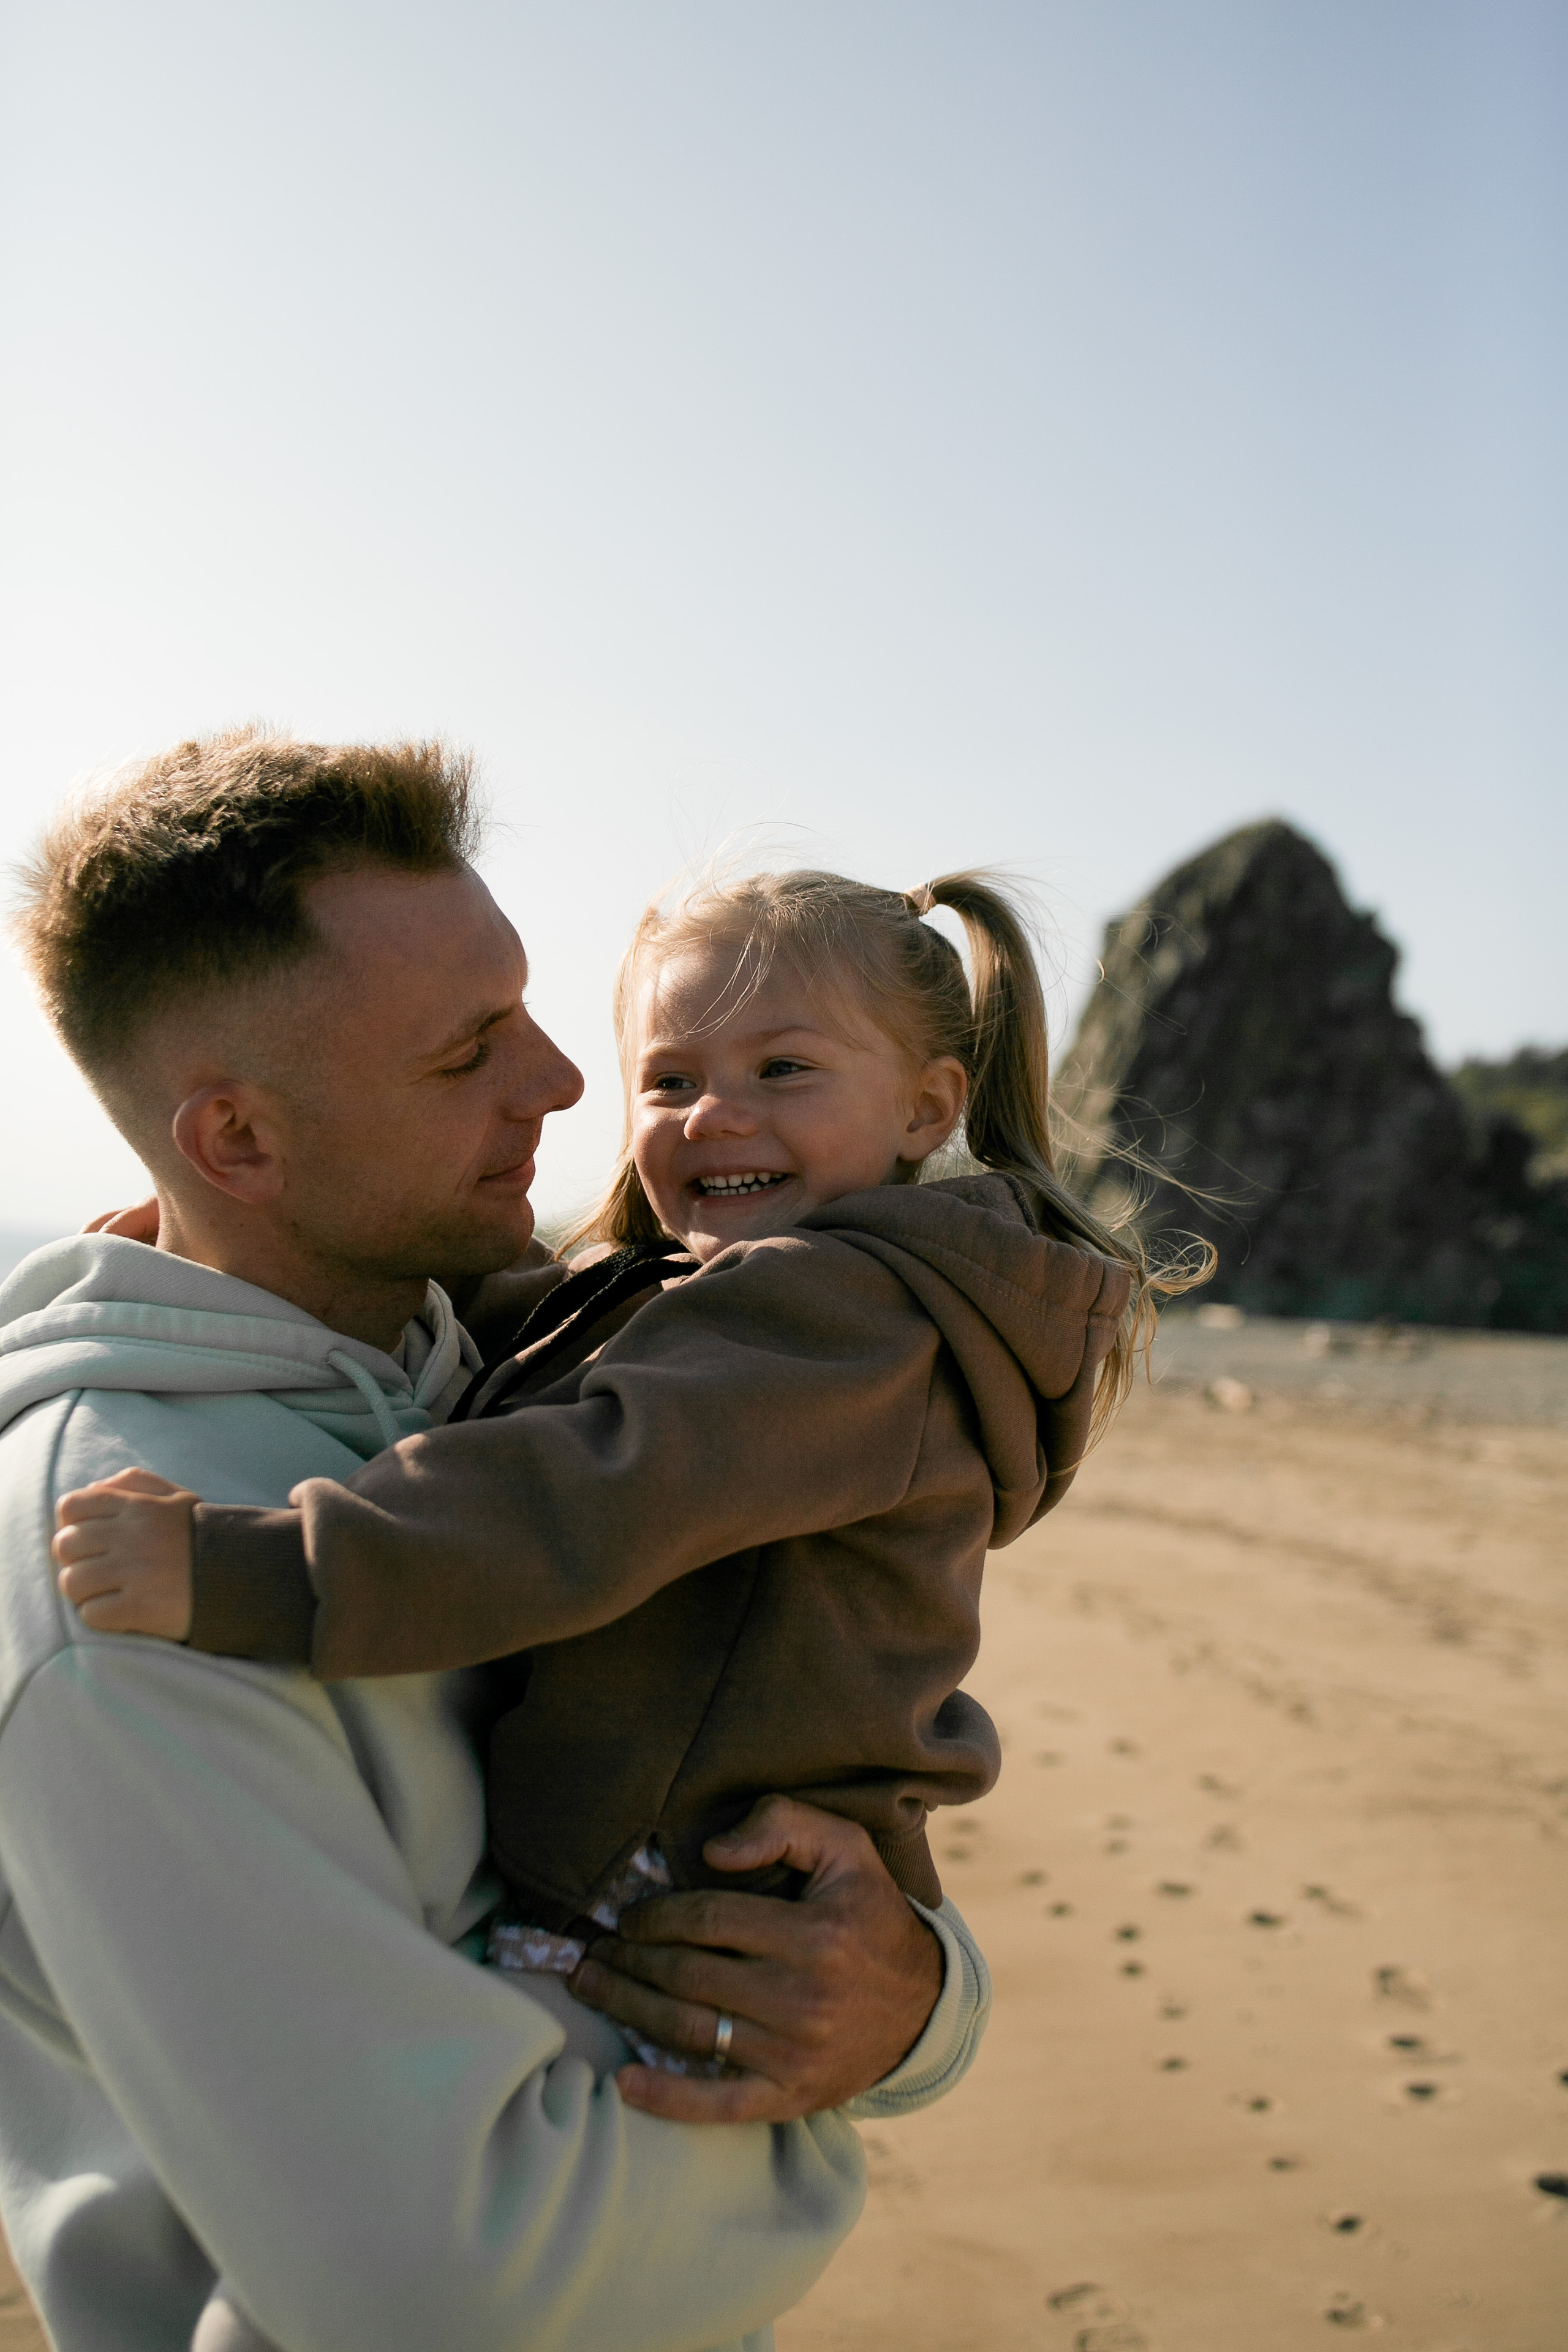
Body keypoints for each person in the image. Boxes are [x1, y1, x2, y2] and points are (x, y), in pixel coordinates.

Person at [0, 729, 992, 2352]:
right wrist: (811, 2143)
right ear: (236, 1141)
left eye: (527, 1007)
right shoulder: (126, 1594)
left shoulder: (491, 1377)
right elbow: (454, 2288)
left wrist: (912, 2006)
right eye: (467, 1053)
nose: (563, 1081)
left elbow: (803, 1736)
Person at [56, 857, 1182, 2075]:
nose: (711, 1116)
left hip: (663, 1894)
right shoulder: (750, 1292)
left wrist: (250, 1570)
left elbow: (577, 1494)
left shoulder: (839, 1320)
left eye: (782, 1070)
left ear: (924, 1109)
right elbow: (560, 1321)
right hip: (665, 1859)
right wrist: (208, 1237)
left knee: (368, 2116)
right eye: (670, 1079)